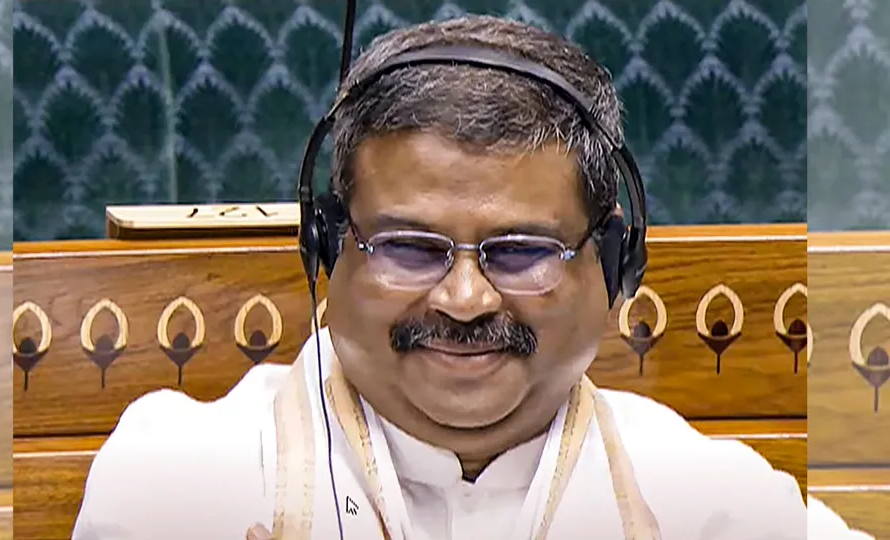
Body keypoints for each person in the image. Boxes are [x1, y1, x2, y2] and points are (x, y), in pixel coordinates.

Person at [72, 15, 865, 540]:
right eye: (409, 248)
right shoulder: (177, 480)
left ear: (614, 263)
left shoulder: (717, 504)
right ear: (327, 249)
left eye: (520, 252)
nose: (463, 299)